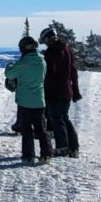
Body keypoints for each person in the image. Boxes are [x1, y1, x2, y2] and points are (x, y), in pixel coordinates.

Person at [4, 35, 54, 164]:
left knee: (26, 130)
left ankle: (28, 155)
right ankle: (46, 154)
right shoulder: (42, 61)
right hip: (39, 100)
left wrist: (10, 64)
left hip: (25, 101)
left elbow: (9, 74)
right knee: (41, 129)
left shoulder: (23, 62)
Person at [39, 27, 81, 157]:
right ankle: (74, 148)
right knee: (65, 118)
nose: (46, 43)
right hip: (67, 90)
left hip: (54, 91)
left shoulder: (51, 52)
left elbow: (49, 74)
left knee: (57, 119)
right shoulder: (67, 50)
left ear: (48, 39)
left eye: (45, 41)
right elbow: (73, 71)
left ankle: (62, 147)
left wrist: (44, 89)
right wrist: (75, 90)